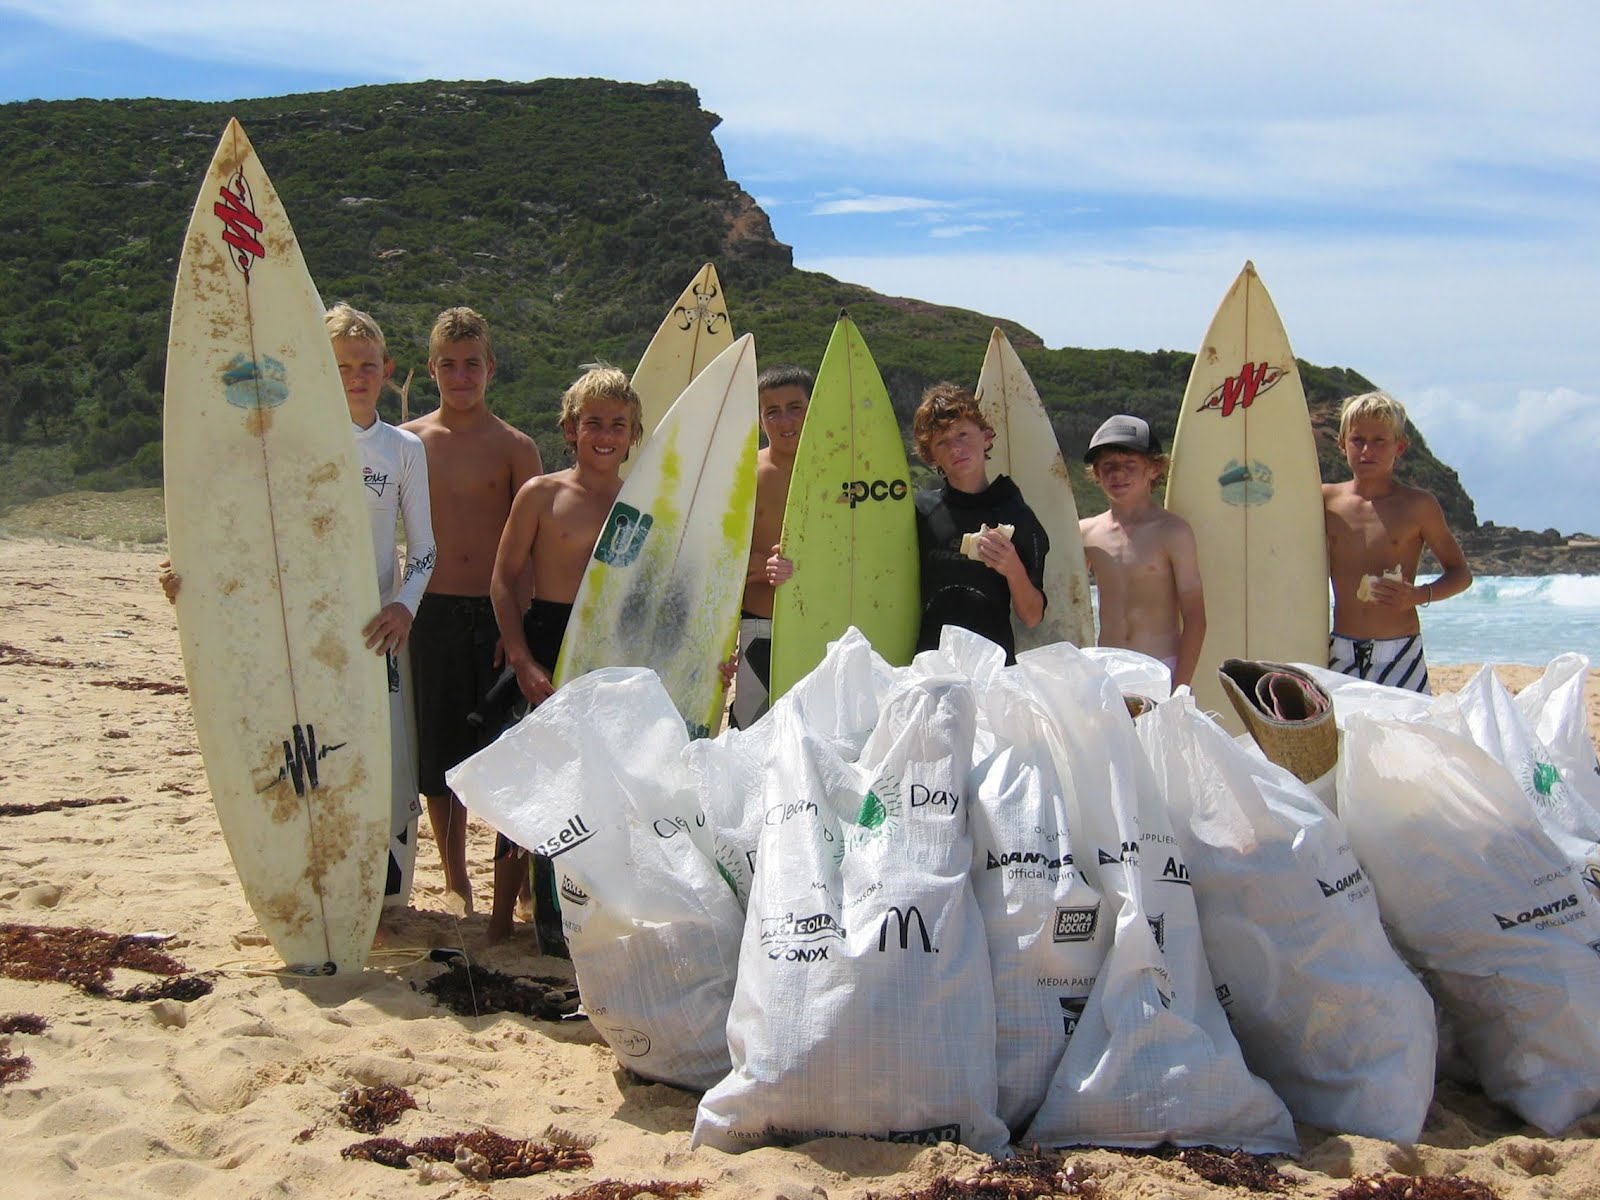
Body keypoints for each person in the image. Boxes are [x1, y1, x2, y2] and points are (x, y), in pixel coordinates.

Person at [160, 303, 437, 920]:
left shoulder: (403, 448)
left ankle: (386, 896)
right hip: (304, 638)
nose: (356, 377)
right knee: (310, 753)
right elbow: (246, 536)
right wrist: (191, 581)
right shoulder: (290, 445)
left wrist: (403, 606)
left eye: (367, 366)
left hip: (376, 637)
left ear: (386, 369)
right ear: (320, 370)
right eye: (340, 367)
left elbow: (424, 550)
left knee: (386, 759)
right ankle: (318, 882)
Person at [486, 365, 642, 946]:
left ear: (633, 434)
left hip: (613, 650)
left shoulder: (640, 503)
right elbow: (503, 582)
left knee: (601, 790)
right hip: (548, 644)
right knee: (530, 786)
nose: (606, 433)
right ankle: (503, 918)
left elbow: (656, 594)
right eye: (593, 422)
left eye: (618, 424)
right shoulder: (542, 494)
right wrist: (523, 662)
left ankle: (579, 917)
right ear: (571, 428)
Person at [402, 307, 542, 916]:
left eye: (473, 364)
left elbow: (532, 546)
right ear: (433, 369)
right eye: (450, 365)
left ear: (491, 368)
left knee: (508, 751)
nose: (462, 376)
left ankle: (514, 886)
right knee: (440, 749)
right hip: (427, 609)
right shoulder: (407, 441)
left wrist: (516, 630)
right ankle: (455, 877)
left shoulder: (515, 446)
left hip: (496, 614)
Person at [1322, 390, 1471, 693]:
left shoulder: (1418, 506)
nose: (1367, 450)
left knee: (1408, 740)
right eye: (1358, 440)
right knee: (1343, 740)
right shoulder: (1325, 501)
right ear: (1342, 444)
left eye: (1380, 441)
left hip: (1400, 653)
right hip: (1340, 650)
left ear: (1399, 447)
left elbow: (1460, 574)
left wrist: (1418, 595)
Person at [911, 382, 1047, 662]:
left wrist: (1013, 569)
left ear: (986, 437)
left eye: (962, 434)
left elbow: (1032, 617)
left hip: (994, 670)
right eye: (942, 442)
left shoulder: (1015, 514)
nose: (955, 448)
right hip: (929, 668)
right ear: (930, 455)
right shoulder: (920, 511)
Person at [1077, 414, 1206, 689]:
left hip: (1160, 669)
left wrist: (1179, 687)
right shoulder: (1085, 533)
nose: (1118, 473)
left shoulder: (1173, 532)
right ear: (1097, 473)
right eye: (1108, 465)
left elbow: (1195, 618)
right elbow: (1065, 599)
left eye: (1130, 464)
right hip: (1106, 671)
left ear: (1154, 469)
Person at [731, 364, 812, 729]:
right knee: (752, 737)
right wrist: (763, 565)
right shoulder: (745, 474)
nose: (784, 420)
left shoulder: (840, 473)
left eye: (795, 407)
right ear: (760, 418)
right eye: (772, 411)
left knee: (813, 735)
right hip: (759, 628)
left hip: (822, 626)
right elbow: (721, 552)